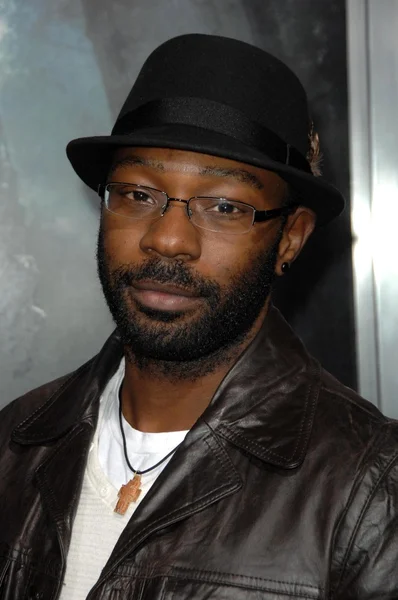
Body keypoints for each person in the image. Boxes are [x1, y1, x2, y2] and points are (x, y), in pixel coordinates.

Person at [0, 33, 397, 600]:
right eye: (138, 194)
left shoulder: (370, 488)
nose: (168, 238)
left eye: (225, 207)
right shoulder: (15, 443)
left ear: (290, 237)